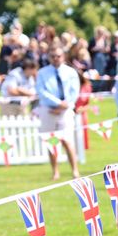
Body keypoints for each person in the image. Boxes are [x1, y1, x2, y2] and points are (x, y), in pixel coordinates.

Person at [36, 46, 81, 180]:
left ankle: (75, 171)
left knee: (67, 140)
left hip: (66, 110)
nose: (56, 58)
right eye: (53, 56)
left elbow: (74, 91)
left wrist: (65, 105)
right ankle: (55, 172)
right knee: (51, 141)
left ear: (63, 56)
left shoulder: (71, 72)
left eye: (58, 56)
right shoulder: (42, 73)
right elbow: (41, 91)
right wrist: (57, 103)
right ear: (49, 57)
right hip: (48, 110)